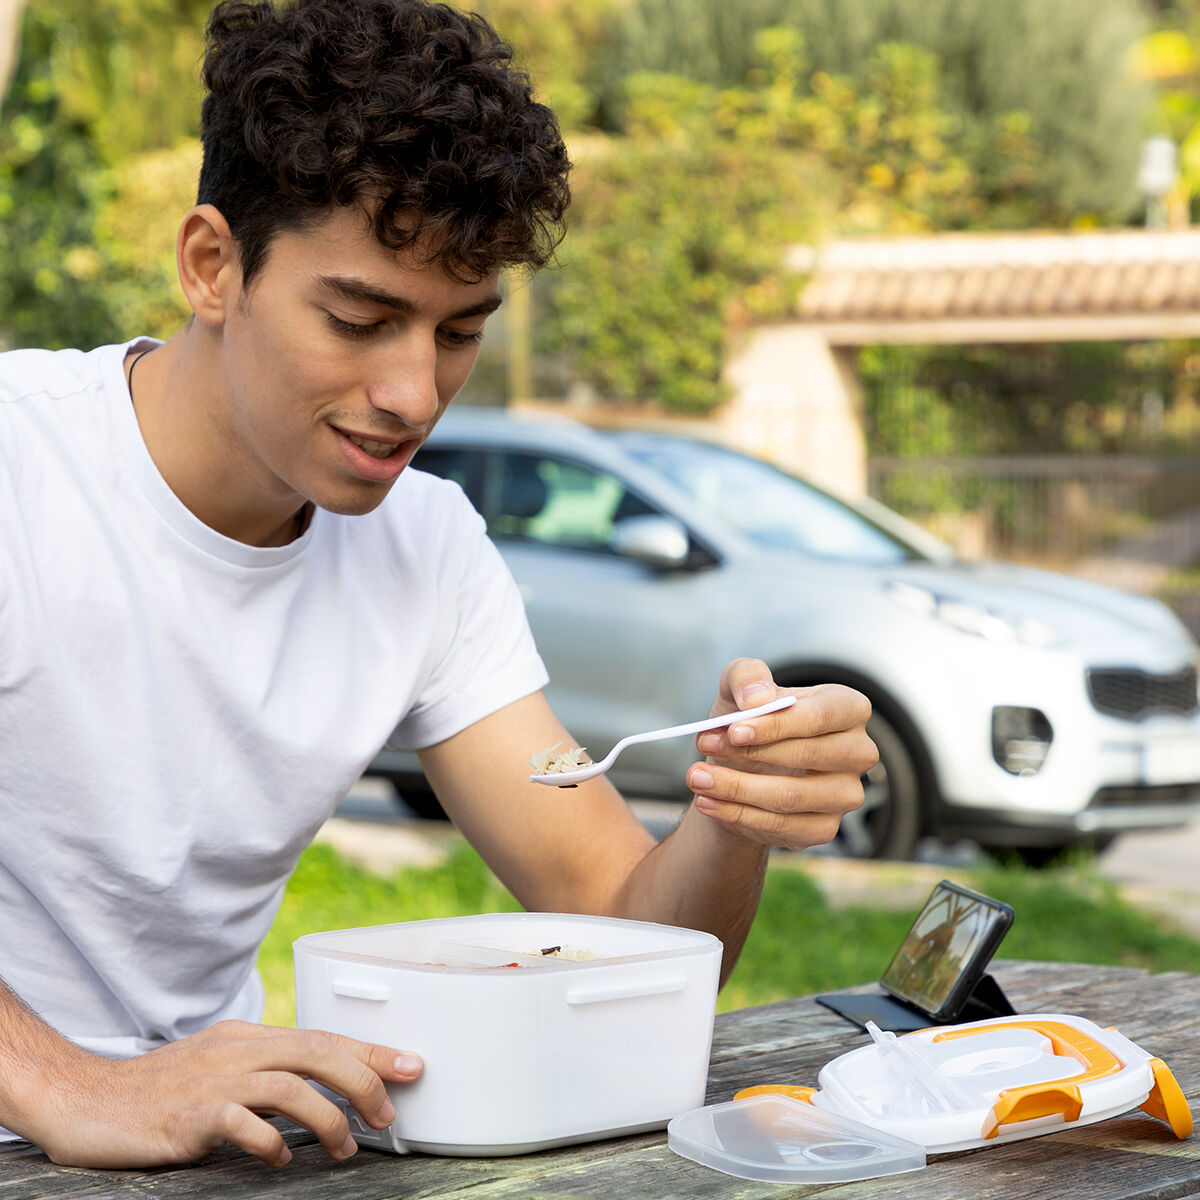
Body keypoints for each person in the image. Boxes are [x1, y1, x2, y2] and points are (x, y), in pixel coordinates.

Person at [0, 0, 876, 1172]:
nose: (415, 394)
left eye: (460, 331)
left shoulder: (426, 547)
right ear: (213, 266)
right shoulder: (21, 470)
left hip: (215, 1141)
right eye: (360, 319)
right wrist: (70, 1090)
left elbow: (620, 928)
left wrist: (731, 815)